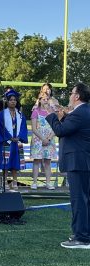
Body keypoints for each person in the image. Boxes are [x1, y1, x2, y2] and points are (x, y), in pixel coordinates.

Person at [45, 83, 90, 249]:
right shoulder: (84, 112)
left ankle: (81, 238)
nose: (70, 96)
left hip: (78, 162)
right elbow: (70, 127)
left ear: (77, 96)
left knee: (79, 200)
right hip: (83, 161)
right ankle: (84, 234)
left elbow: (61, 130)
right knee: (85, 200)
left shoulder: (80, 113)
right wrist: (62, 114)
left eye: (71, 93)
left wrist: (52, 115)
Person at [0, 89, 28, 190]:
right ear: (7, 101)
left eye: (14, 100)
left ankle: (15, 182)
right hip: (7, 141)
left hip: (17, 142)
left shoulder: (20, 114)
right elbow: (1, 127)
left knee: (15, 162)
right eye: (11, 100)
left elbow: (23, 127)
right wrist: (9, 137)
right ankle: (5, 182)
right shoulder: (2, 114)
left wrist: (19, 137)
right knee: (6, 162)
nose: (13, 101)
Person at [30, 94, 57, 190]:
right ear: (39, 100)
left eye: (47, 99)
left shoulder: (52, 112)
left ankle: (48, 183)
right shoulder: (35, 112)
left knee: (48, 161)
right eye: (43, 99)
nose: (45, 100)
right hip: (38, 140)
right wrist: (42, 139)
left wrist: (49, 138)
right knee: (36, 161)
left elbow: (55, 127)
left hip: (49, 139)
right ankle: (34, 182)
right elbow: (33, 128)